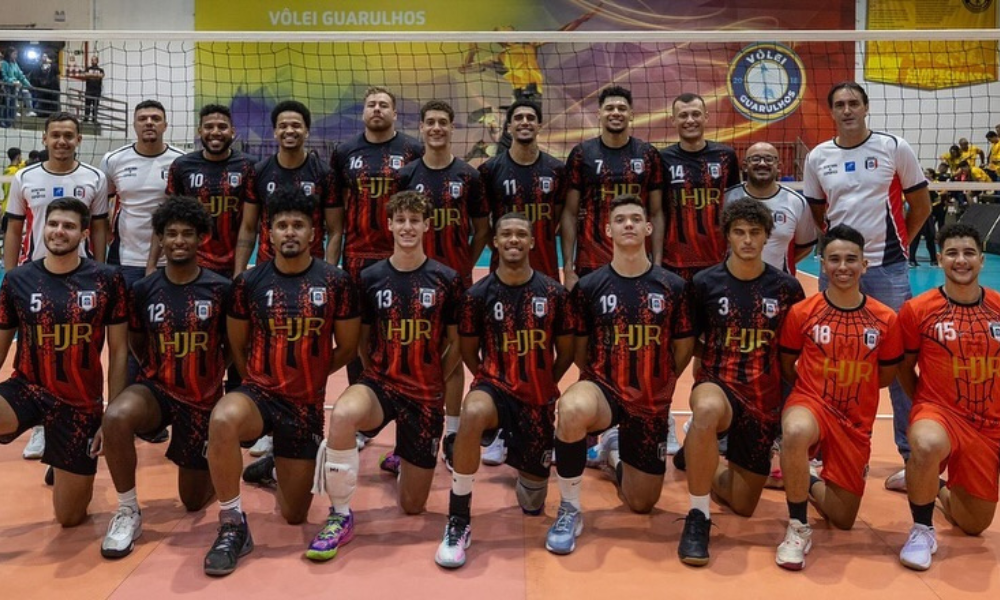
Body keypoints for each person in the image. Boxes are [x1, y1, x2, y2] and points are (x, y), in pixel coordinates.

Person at [202, 187, 359, 576]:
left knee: (293, 516)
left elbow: (348, 347)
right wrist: (258, 379)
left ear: (313, 234)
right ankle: (232, 524)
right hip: (259, 393)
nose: (290, 232)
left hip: (303, 405)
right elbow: (237, 346)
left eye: (299, 225)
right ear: (269, 234)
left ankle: (273, 468)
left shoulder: (336, 282)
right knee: (222, 419)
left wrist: (309, 374)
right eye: (282, 225)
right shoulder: (248, 283)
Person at [306, 190, 462, 563]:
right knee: (343, 414)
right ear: (389, 224)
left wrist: (434, 376)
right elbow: (361, 338)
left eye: (415, 221)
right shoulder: (370, 277)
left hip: (424, 393)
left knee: (411, 507)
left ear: (427, 225)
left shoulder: (447, 279)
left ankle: (405, 456)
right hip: (383, 384)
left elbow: (455, 342)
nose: (407, 227)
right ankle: (340, 515)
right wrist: (376, 372)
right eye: (401, 220)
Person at [545, 194, 694, 556]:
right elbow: (580, 347)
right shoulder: (590, 287)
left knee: (642, 503)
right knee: (573, 407)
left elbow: (683, 345)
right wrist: (597, 380)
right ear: (608, 230)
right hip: (606, 389)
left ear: (648, 227)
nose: (628, 224)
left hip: (650, 399)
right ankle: (569, 508)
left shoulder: (672, 287)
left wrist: (661, 379)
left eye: (635, 219)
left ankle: (613, 455)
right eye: (620, 219)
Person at [803, 81, 930, 492]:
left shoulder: (894, 147)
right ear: (832, 111)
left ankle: (913, 461)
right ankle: (833, 456)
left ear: (866, 107)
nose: (847, 110)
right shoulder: (819, 156)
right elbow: (820, 211)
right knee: (835, 361)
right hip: (838, 273)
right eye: (839, 104)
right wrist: (839, 257)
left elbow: (922, 205)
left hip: (887, 270)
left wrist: (898, 247)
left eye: (854, 102)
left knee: (897, 363)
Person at [435, 212, 576, 568]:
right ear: (495, 243)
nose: (513, 240)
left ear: (532, 242)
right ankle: (458, 519)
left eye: (521, 235)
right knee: (473, 411)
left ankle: (523, 463)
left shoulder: (554, 293)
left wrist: (546, 382)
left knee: (532, 503)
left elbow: (567, 351)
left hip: (537, 400)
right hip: (495, 387)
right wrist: (488, 379)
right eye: (506, 235)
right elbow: (468, 351)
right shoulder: (477, 296)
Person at [675, 198, 804, 567]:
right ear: (728, 236)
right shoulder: (703, 283)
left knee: (745, 504)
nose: (747, 239)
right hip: (719, 382)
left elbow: (790, 353)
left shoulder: (786, 288)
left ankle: (699, 453)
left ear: (766, 238)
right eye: (739, 232)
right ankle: (698, 516)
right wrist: (697, 381)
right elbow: (693, 340)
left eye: (755, 232)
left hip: (762, 397)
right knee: (707, 408)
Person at [99, 197, 229, 559]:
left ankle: (217, 457)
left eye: (188, 233)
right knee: (116, 416)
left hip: (202, 399)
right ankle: (127, 510)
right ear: (160, 238)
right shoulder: (143, 290)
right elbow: (137, 342)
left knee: (192, 502)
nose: (179, 240)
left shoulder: (221, 290)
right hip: (158, 389)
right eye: (171, 234)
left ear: (202, 238)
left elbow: (233, 346)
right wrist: (159, 370)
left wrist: (213, 380)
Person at [775, 224, 903, 570]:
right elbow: (789, 364)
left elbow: (884, 377)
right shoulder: (803, 312)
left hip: (855, 419)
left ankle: (804, 477)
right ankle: (797, 525)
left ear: (865, 264)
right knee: (796, 431)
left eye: (850, 259)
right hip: (812, 403)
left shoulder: (885, 319)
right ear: (822, 263)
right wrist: (812, 392)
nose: (842, 267)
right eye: (834, 259)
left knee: (842, 517)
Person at [0, 198, 127, 526]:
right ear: (42, 228)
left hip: (79, 404)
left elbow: (119, 351)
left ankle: (61, 460)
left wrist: (110, 414)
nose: (59, 231)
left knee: (69, 518)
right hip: (28, 389)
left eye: (69, 226)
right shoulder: (17, 280)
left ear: (85, 233)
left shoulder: (106, 280)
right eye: (53, 224)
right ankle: (48, 442)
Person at [896, 223, 1000, 571]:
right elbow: (904, 368)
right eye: (952, 253)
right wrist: (924, 405)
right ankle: (921, 529)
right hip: (939, 413)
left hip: (987, 423)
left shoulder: (999, 308)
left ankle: (927, 481)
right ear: (939, 259)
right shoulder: (917, 310)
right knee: (925, 443)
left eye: (969, 253)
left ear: (982, 260)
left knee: (973, 525)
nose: (961, 260)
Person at [398, 99, 490, 469]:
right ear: (421, 128)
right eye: (430, 122)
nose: (436, 128)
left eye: (443, 122)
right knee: (412, 352)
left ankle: (452, 433)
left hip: (455, 281)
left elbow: (482, 228)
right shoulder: (406, 176)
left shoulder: (469, 176)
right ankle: (411, 431)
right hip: (413, 278)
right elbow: (399, 226)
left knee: (452, 358)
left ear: (452, 128)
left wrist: (463, 265)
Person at [329, 86, 422, 396]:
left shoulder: (413, 150)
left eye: (384, 104)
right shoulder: (345, 152)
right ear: (364, 112)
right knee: (358, 332)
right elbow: (339, 206)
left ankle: (402, 393)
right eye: (371, 105)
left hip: (398, 254)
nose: (377, 109)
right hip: (357, 254)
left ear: (394, 113)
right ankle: (362, 398)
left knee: (399, 327)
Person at [560, 85, 664, 291]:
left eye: (621, 108)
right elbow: (570, 213)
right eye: (609, 108)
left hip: (637, 262)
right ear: (599, 114)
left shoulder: (648, 154)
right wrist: (569, 269)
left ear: (631, 115)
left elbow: (656, 212)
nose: (615, 113)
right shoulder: (582, 154)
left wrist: (658, 265)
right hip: (591, 261)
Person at [234, 100, 339, 278]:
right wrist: (239, 272)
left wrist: (329, 274)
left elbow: (335, 230)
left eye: (296, 125)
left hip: (312, 267)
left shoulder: (324, 173)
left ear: (306, 131)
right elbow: (249, 226)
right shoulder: (259, 172)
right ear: (275, 132)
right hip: (267, 267)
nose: (289, 131)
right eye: (283, 126)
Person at [5, 112, 109, 274]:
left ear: (78, 139)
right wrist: (10, 277)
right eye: (55, 135)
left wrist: (100, 271)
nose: (62, 141)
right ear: (45, 139)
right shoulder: (24, 177)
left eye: (68, 136)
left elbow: (98, 228)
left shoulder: (95, 178)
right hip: (34, 269)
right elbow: (14, 229)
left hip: (82, 271)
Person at [163, 104, 257, 279]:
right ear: (200, 131)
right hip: (195, 266)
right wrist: (154, 263)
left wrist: (240, 271)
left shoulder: (249, 166)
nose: (215, 132)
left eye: (222, 127)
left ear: (233, 131)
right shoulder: (182, 166)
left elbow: (250, 224)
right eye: (208, 127)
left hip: (235, 265)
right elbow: (168, 220)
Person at [101, 100, 185, 287]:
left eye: (155, 118)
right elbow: (101, 205)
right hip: (125, 257)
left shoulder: (181, 161)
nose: (149, 122)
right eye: (142, 119)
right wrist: (109, 235)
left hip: (169, 257)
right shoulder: (113, 159)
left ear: (165, 125)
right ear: (134, 125)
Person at [478, 100, 565, 280]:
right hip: (503, 268)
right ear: (509, 127)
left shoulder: (556, 170)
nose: (525, 121)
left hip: (545, 267)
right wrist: (500, 246)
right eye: (518, 118)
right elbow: (483, 224)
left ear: (539, 126)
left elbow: (557, 217)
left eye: (531, 118)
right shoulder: (490, 170)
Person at [662, 92, 741, 281]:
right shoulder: (662, 158)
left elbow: (734, 208)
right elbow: (656, 210)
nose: (690, 120)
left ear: (706, 117)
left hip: (718, 261)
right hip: (674, 262)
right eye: (683, 115)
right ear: (673, 120)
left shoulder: (726, 156)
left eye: (696, 114)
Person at [724, 142, 816, 275]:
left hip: (778, 287)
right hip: (732, 282)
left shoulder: (796, 202)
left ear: (778, 166)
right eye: (755, 159)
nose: (762, 163)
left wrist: (774, 270)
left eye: (769, 159)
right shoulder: (727, 198)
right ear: (744, 166)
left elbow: (805, 246)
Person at [908, 168, 944, 268]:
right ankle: (911, 260)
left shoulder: (931, 184)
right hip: (916, 212)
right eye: (924, 173)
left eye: (926, 173)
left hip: (927, 213)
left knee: (930, 237)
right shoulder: (912, 182)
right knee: (915, 237)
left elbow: (938, 198)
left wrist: (930, 207)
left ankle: (933, 260)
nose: (925, 174)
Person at [1, 47, 35, 118]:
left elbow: (20, 75)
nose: (16, 56)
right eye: (14, 54)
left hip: (16, 85)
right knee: (9, 98)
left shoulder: (15, 63)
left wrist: (28, 85)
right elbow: (4, 76)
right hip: (7, 86)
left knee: (26, 91)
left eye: (16, 54)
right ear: (9, 54)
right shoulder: (4, 63)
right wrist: (12, 82)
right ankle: (10, 114)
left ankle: (30, 110)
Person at [32, 53, 60, 118]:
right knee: (42, 101)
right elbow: (36, 75)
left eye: (46, 56)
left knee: (53, 102)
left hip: (53, 87)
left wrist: (58, 86)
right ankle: (41, 113)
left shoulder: (54, 66)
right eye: (43, 56)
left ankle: (53, 114)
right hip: (42, 88)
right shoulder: (38, 66)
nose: (45, 58)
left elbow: (57, 75)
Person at [82, 55, 104, 123]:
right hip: (89, 91)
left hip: (97, 91)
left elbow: (102, 75)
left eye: (94, 59)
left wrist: (91, 75)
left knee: (95, 106)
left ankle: (94, 119)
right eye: (92, 60)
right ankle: (86, 118)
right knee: (87, 105)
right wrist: (96, 75)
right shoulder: (88, 68)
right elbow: (86, 75)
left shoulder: (101, 70)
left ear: (97, 61)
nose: (93, 61)